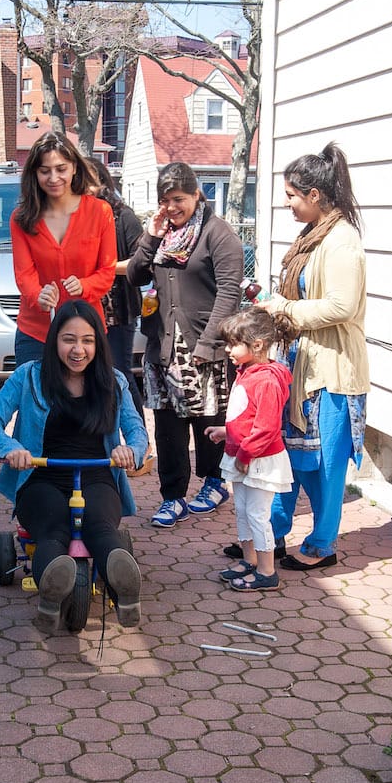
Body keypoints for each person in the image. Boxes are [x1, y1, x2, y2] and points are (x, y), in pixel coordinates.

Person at [0, 300, 148, 635]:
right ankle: (51, 593)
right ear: (54, 340)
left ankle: (124, 589)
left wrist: (131, 450)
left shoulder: (113, 382)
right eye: (69, 339)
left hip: (97, 474)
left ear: (98, 343)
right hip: (41, 475)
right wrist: (12, 449)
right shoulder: (28, 376)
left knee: (101, 527)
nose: (78, 349)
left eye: (87, 340)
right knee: (53, 528)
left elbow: (137, 431)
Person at [258, 143, 369, 572]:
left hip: (331, 371)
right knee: (291, 453)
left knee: (324, 463)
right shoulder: (312, 237)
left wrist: (284, 310)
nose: (286, 203)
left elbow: (341, 306)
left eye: (291, 195)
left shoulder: (342, 242)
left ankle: (323, 543)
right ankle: (273, 534)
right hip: (300, 364)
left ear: (315, 196)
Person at [126, 162, 244, 528]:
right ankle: (172, 496)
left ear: (196, 194)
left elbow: (229, 291)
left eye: (178, 199)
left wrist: (210, 342)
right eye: (165, 201)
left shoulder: (218, 233)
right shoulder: (164, 234)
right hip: (162, 345)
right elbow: (134, 274)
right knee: (167, 426)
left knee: (208, 421)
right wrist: (150, 236)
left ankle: (214, 482)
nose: (172, 207)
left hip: (203, 344)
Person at [204, 308, 294, 591]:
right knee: (242, 510)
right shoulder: (248, 371)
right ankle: (249, 559)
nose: (229, 350)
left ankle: (267, 572)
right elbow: (246, 417)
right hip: (244, 456)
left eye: (234, 344)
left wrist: (244, 453)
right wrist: (227, 432)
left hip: (258, 460)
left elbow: (266, 428)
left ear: (257, 345)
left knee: (256, 514)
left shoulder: (267, 380)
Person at [10, 132, 117, 367]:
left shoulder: (100, 212)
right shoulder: (21, 218)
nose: (53, 177)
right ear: (34, 174)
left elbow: (107, 271)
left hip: (85, 332)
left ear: (74, 168)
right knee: (35, 401)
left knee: (87, 402)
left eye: (61, 169)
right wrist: (38, 295)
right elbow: (24, 274)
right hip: (36, 332)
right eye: (44, 170)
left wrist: (85, 285)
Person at [89, 159, 145, 419]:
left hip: (117, 311)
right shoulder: (74, 216)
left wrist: (104, 270)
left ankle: (138, 439)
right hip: (84, 310)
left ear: (102, 181)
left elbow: (142, 261)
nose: (85, 188)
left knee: (119, 373)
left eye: (89, 181)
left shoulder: (123, 216)